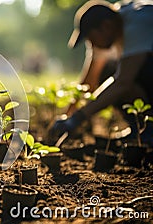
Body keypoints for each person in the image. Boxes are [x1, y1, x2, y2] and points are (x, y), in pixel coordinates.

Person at [49, 0, 153, 145]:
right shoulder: (113, 25)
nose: (91, 46)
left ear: (106, 26)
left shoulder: (137, 24)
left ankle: (148, 131)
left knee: (132, 73)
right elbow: (90, 80)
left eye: (91, 39)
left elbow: (123, 82)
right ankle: (140, 129)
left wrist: (78, 118)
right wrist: (68, 115)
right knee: (107, 72)